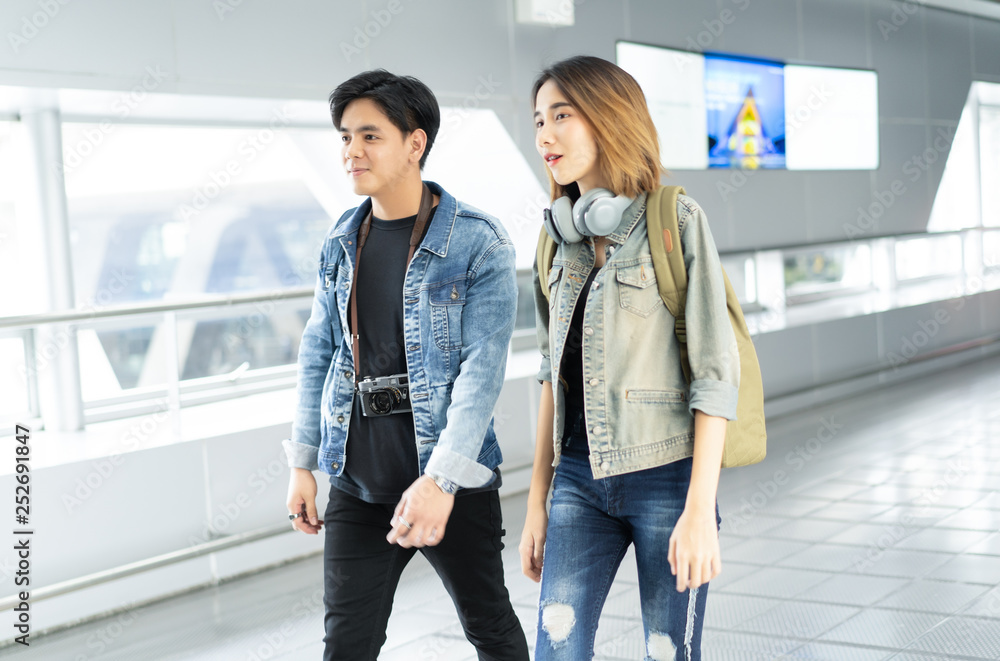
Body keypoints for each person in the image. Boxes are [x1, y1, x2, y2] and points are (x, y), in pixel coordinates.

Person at [282, 69, 528, 661]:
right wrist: (304, 462)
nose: (351, 152)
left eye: (370, 136)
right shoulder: (341, 239)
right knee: (346, 644)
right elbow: (320, 351)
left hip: (450, 479)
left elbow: (481, 374)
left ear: (415, 144)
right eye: (344, 137)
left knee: (489, 627)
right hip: (358, 482)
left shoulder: (480, 243)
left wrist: (441, 482)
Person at [518, 55, 739, 660]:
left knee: (668, 652)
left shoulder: (676, 222)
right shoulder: (554, 240)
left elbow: (716, 377)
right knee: (556, 650)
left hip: (667, 478)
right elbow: (549, 376)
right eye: (539, 120)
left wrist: (699, 511)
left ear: (609, 117)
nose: (545, 135)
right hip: (578, 484)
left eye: (561, 115)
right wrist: (537, 500)